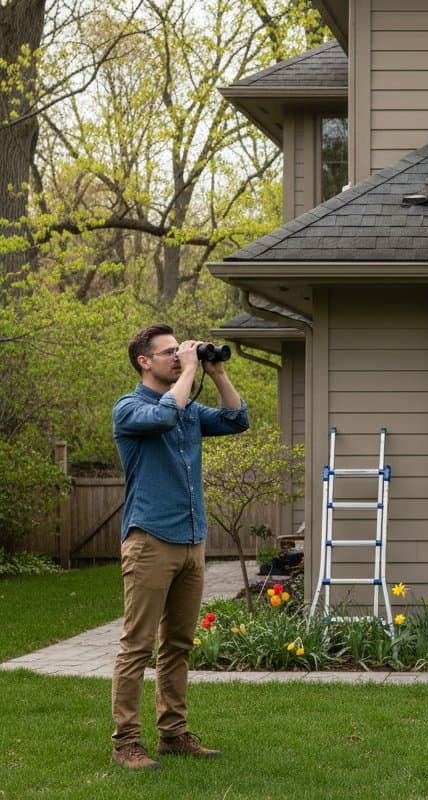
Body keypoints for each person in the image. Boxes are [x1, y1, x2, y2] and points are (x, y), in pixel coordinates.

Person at [110, 324, 250, 772]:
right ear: (143, 362)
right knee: (137, 646)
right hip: (150, 539)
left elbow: (236, 419)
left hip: (192, 540)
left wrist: (217, 371)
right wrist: (189, 372)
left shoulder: (188, 407)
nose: (177, 357)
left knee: (179, 644)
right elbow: (164, 416)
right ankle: (126, 743)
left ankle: (172, 735)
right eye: (168, 353)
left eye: (180, 351)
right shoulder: (129, 408)